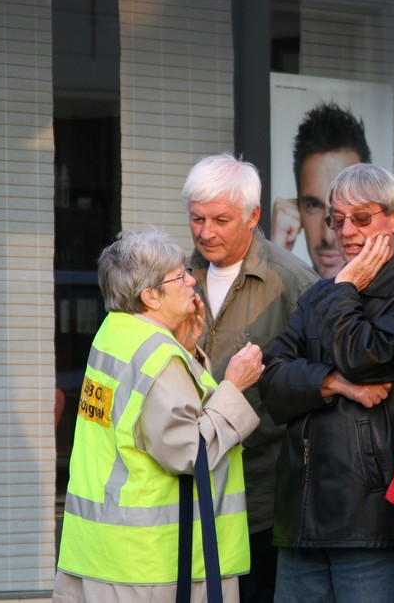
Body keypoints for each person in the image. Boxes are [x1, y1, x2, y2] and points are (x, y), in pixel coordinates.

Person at [259, 163, 394, 603]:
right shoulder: (320, 295)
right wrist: (334, 383)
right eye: (337, 219)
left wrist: (344, 289)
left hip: (373, 520)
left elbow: (364, 359)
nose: (345, 232)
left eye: (360, 218)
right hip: (302, 516)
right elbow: (272, 381)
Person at [54, 228, 265, 603]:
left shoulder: (115, 333)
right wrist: (234, 387)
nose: (192, 281)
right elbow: (190, 452)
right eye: (180, 275)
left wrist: (184, 350)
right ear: (150, 296)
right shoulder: (157, 358)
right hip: (151, 564)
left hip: (100, 552)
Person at [182, 153, 319, 603]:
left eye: (220, 220)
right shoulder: (176, 279)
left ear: (253, 215)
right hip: (191, 488)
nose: (206, 232)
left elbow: (313, 384)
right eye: (197, 218)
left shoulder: (293, 282)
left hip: (262, 497)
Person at [269, 102, 372, 279]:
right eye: (313, 205)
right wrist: (275, 260)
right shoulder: (289, 288)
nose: (328, 236)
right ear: (298, 206)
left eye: (344, 206)